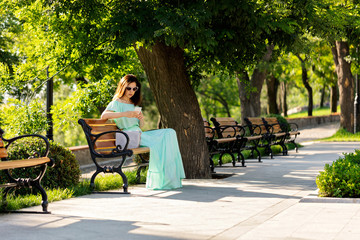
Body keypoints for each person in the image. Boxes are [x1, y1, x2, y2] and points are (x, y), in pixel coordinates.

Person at [101, 74, 185, 190]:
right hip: (129, 136)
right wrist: (125, 114)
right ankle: (160, 180)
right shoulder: (116, 102)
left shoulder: (132, 104)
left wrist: (141, 119)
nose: (131, 91)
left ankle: (170, 178)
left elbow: (140, 126)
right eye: (129, 88)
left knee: (170, 132)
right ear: (123, 87)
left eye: (134, 89)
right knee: (163, 140)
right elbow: (103, 116)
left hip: (139, 134)